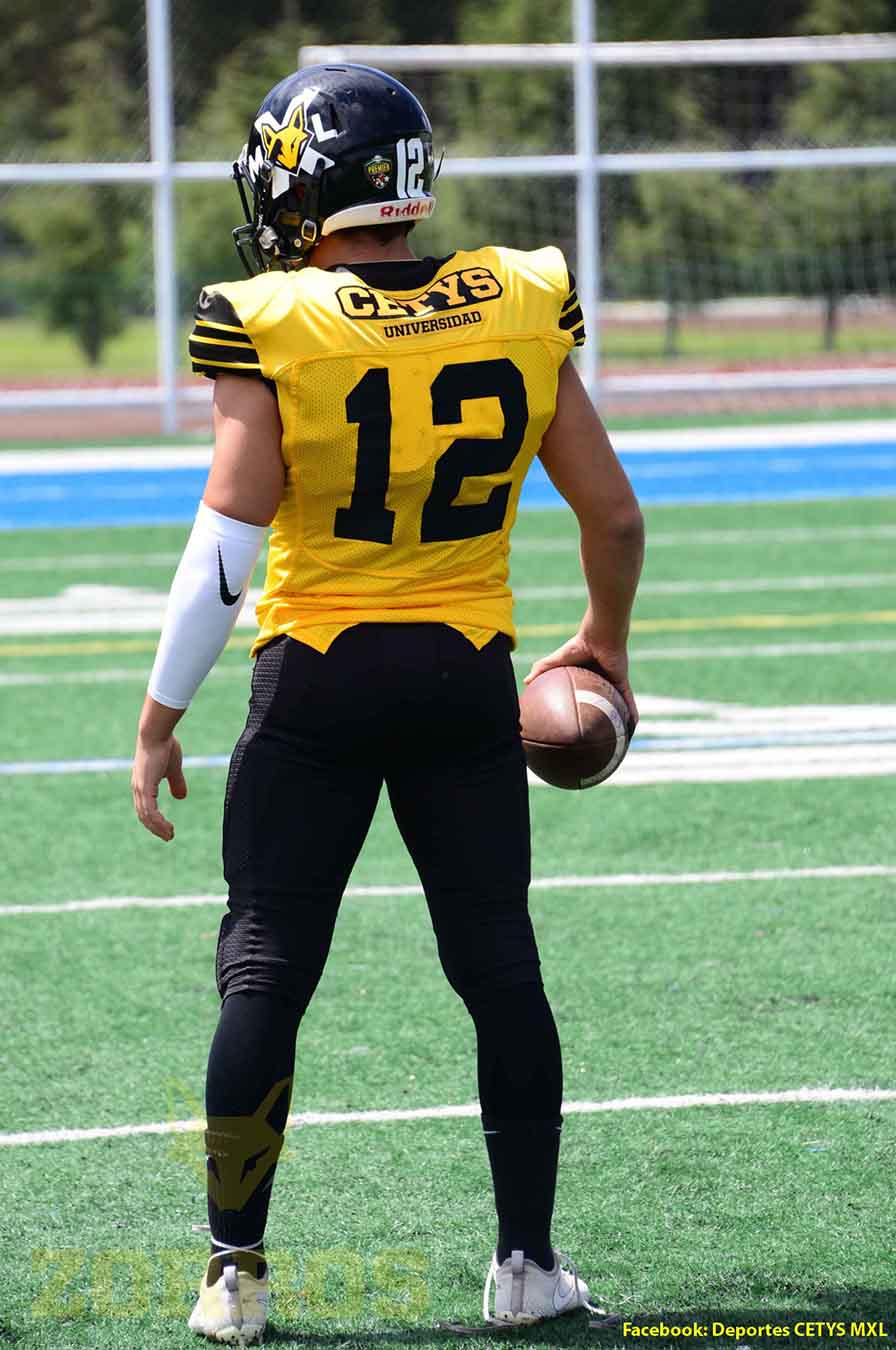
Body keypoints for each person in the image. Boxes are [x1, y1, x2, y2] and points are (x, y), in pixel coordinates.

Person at [131, 63, 644, 1345]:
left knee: (264, 972)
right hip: (464, 676)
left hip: (317, 678)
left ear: (309, 184)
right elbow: (615, 515)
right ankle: (525, 1265)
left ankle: (236, 1278)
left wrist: (160, 713)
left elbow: (227, 547)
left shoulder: (270, 316)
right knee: (501, 969)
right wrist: (602, 644)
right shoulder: (519, 295)